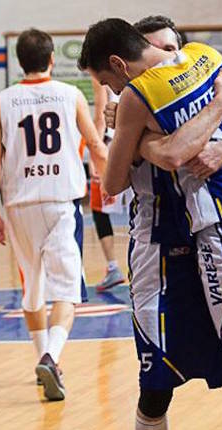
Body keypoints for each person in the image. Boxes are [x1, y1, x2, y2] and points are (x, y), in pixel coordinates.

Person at [79, 18, 222, 430]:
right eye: (159, 49)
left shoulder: (139, 95)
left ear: (120, 62)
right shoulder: (206, 61)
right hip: (183, 235)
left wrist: (140, 138)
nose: (168, 57)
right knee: (163, 381)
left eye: (171, 48)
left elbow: (182, 153)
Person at [0, 28, 108, 401]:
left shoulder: (2, 101)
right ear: (52, 58)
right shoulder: (70, 95)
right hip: (60, 202)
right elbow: (96, 144)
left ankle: (42, 360)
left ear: (19, 61)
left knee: (32, 286)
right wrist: (111, 176)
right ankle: (52, 356)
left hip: (19, 204)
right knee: (67, 290)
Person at [87, 78, 127, 291]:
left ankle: (113, 266)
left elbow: (101, 117)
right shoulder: (132, 63)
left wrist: (96, 153)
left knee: (99, 208)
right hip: (135, 139)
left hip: (111, 146)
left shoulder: (100, 74)